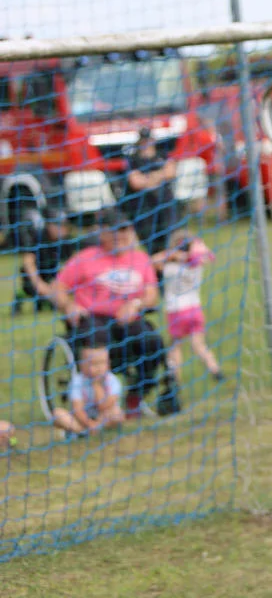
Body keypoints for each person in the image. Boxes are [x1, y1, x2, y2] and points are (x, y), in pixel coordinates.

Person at [52, 210, 173, 415]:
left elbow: (152, 295)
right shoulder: (85, 258)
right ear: (102, 233)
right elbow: (58, 288)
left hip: (128, 319)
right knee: (97, 337)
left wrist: (136, 304)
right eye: (115, 231)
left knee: (151, 340)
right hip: (93, 319)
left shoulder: (141, 259)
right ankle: (95, 400)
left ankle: (137, 394)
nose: (121, 236)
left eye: (125, 230)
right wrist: (69, 306)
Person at [152, 229, 222, 383]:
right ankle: (215, 370)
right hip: (195, 309)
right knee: (199, 344)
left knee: (176, 346)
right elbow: (206, 256)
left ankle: (174, 377)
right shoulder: (197, 264)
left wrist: (172, 254)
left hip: (176, 311)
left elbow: (153, 261)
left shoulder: (169, 268)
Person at [50, 319, 125, 439]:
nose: (98, 368)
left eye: (102, 363)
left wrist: (96, 385)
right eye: (93, 364)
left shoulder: (113, 381)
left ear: (108, 364)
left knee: (117, 414)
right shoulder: (77, 382)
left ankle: (91, 431)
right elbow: (77, 409)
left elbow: (104, 406)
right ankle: (81, 430)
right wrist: (89, 424)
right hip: (82, 419)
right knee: (57, 414)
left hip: (103, 417)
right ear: (82, 366)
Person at [125, 126, 179, 256]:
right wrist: (159, 176)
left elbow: (171, 172)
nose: (146, 143)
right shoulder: (133, 159)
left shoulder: (162, 155)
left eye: (148, 140)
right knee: (150, 240)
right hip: (145, 205)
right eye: (143, 140)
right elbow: (135, 182)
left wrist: (149, 178)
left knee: (170, 235)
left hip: (165, 203)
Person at [15, 206, 77, 315]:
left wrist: (61, 281)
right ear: (49, 225)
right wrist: (38, 284)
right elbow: (28, 262)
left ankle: (45, 301)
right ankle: (21, 295)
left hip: (53, 274)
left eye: (64, 225)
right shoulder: (38, 237)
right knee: (33, 291)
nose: (62, 229)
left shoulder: (67, 240)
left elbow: (70, 262)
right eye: (58, 225)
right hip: (35, 275)